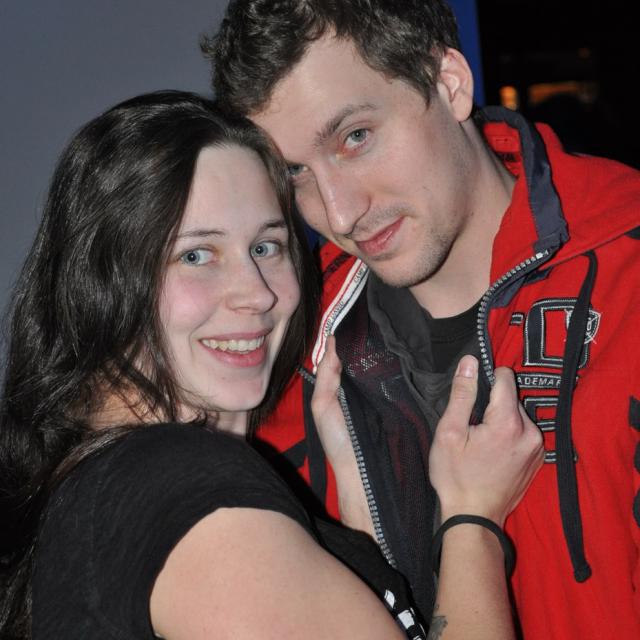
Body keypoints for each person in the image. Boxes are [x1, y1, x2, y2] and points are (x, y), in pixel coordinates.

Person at [0, 90, 542, 639]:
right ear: (102, 280)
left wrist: (360, 541)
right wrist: (473, 517)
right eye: (196, 255)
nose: (257, 294)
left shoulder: (116, 485)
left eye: (266, 247)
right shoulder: (187, 493)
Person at [205, 1, 640, 637]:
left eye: (355, 137)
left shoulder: (627, 278)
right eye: (295, 172)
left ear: (450, 83)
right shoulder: (284, 343)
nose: (339, 213)